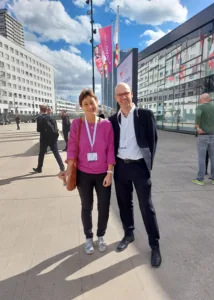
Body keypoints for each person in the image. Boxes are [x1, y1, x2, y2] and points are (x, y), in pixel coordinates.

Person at [109, 82, 161, 268]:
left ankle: (154, 245)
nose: (123, 97)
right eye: (119, 95)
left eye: (126, 93)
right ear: (116, 99)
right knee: (124, 204)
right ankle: (128, 234)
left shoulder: (145, 115)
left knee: (146, 207)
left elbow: (153, 140)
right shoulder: (112, 120)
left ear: (132, 94)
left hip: (139, 167)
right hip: (121, 167)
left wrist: (148, 164)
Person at [59, 89, 115, 255]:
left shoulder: (106, 125)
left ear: (97, 103)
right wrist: (68, 170)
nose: (90, 106)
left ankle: (101, 235)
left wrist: (110, 173)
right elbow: (71, 149)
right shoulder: (77, 124)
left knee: (104, 206)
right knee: (87, 206)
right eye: (86, 104)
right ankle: (88, 237)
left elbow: (110, 149)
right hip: (83, 173)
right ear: (81, 107)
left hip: (103, 173)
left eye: (92, 102)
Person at [192, 93, 214, 186]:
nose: (199, 100)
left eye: (200, 99)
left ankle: (200, 179)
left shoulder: (200, 107)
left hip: (203, 136)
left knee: (201, 157)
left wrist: (197, 127)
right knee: (213, 157)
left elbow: (198, 116)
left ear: (204, 99)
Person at [33, 105, 65, 173]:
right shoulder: (51, 117)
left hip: (44, 139)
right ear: (46, 110)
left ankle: (39, 168)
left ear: (40, 110)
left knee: (41, 154)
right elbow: (55, 127)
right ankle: (62, 168)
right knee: (56, 153)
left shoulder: (40, 118)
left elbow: (39, 130)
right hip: (53, 138)